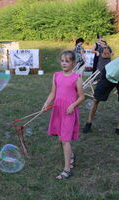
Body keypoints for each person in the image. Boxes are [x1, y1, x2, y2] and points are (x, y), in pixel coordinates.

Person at [43, 51, 85, 180]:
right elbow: (53, 93)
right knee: (60, 139)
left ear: (73, 63)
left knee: (65, 140)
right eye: (62, 61)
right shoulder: (56, 76)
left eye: (67, 61)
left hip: (68, 111)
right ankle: (71, 156)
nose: (64, 63)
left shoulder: (76, 78)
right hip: (58, 110)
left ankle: (67, 170)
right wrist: (46, 103)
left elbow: (82, 96)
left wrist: (73, 105)